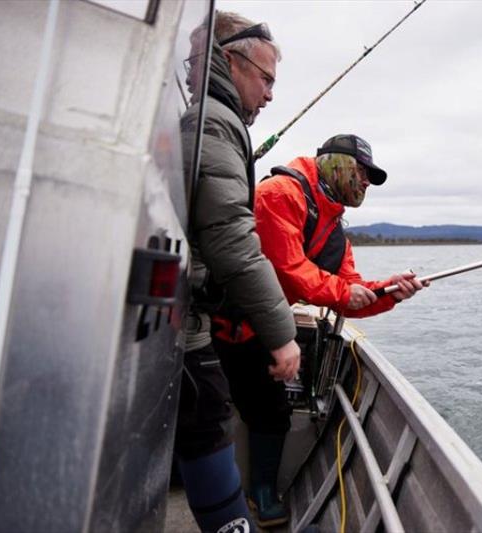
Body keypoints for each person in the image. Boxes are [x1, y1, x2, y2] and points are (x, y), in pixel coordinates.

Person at [213, 134, 427, 527]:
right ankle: (239, 487)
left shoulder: (335, 233)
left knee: (270, 410)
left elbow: (349, 294)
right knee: (226, 407)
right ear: (337, 164)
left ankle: (259, 488)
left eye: (369, 178)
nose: (365, 183)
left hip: (264, 327)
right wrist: (347, 291)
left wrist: (390, 292)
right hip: (224, 321)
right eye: (362, 173)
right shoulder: (279, 194)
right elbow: (286, 268)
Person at [175, 11, 301, 533]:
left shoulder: (208, 118)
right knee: (207, 421)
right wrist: (284, 336)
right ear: (231, 62)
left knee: (203, 421)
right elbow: (232, 237)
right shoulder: (215, 122)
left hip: (187, 311)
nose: (270, 95)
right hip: (185, 325)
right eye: (265, 78)